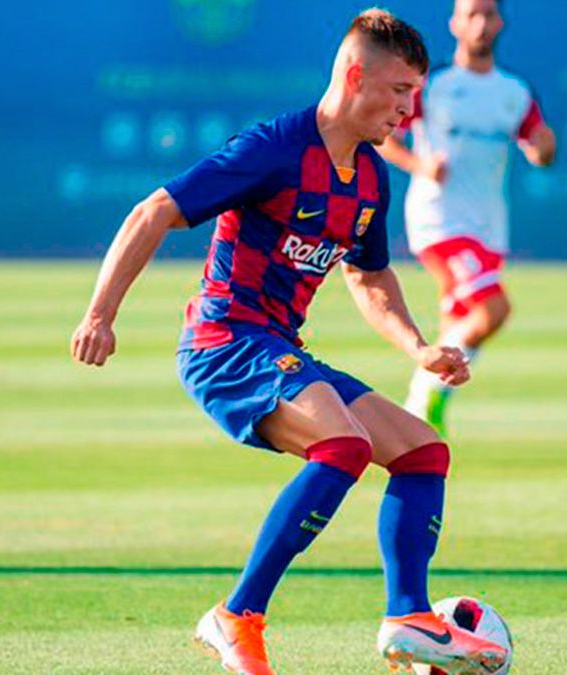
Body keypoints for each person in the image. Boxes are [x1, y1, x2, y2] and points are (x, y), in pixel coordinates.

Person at [70, 10, 507, 674]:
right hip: (222, 341)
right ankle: (236, 616)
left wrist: (418, 347)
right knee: (345, 445)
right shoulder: (275, 148)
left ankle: (409, 616)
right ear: (355, 76)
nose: (406, 108)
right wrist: (101, 313)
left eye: (415, 93)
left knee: (423, 451)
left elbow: (370, 275)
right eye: (397, 92)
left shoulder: (369, 177)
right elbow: (153, 211)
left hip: (277, 345)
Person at [378, 0, 556, 436]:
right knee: (493, 308)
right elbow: (385, 137)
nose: (480, 23)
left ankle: (419, 416)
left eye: (488, 14)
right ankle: (427, 388)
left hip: (489, 225)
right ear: (455, 23)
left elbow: (540, 148)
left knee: (461, 320)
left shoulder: (514, 92)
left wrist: (543, 148)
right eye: (471, 14)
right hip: (438, 219)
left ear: (500, 23)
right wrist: (421, 166)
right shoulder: (434, 85)